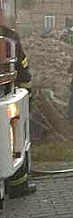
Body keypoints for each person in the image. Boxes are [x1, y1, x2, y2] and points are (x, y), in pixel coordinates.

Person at [0, 12, 34, 197]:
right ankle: (18, 187)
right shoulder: (8, 36)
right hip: (6, 94)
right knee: (16, 137)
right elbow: (22, 66)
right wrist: (28, 91)